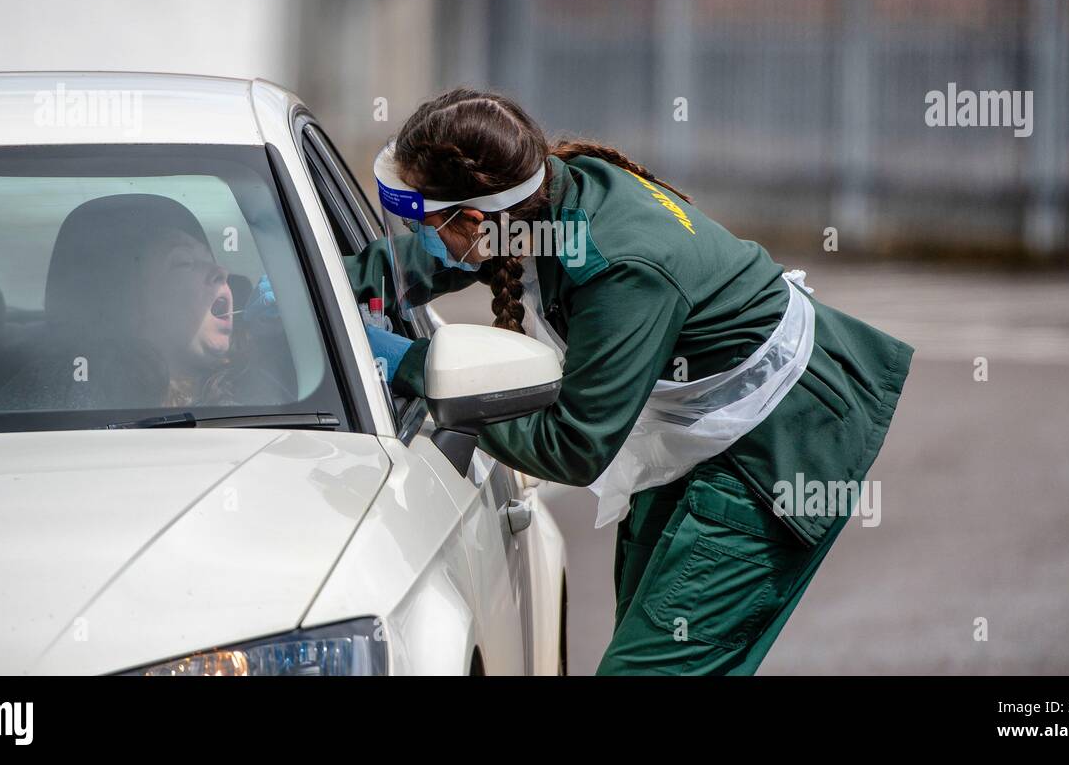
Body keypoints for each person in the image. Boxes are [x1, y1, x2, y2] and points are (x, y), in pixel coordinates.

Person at [348, 87, 914, 675]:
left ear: (475, 218)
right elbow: (433, 257)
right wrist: (317, 293)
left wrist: (417, 369)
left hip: (778, 445)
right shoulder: (537, 205)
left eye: (425, 217)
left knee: (649, 670)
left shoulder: (620, 269)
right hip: (695, 430)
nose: (421, 233)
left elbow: (574, 445)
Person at [0, 194, 286, 413]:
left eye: (212, 261)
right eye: (184, 262)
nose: (222, 272)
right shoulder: (62, 394)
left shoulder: (265, 389)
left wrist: (295, 340)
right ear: (129, 303)